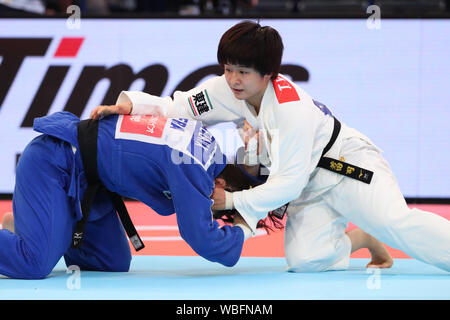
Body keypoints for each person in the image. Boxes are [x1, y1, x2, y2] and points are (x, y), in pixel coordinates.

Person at [90, 20, 450, 272]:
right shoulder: (226, 89)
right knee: (305, 261)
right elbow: (179, 107)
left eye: (243, 71)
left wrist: (230, 201)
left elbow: (287, 183)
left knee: (395, 222)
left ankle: (386, 233)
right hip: (308, 186)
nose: (233, 79)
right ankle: (364, 238)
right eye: (228, 68)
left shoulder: (291, 110)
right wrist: (133, 106)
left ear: (269, 74)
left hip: (346, 167)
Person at [0, 111, 256, 279]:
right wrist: (245, 228)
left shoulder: (206, 144)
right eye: (215, 206)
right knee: (33, 263)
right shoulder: (194, 167)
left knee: (110, 263)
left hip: (91, 182)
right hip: (55, 162)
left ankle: (32, 227)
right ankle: (33, 236)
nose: (208, 206)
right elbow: (201, 237)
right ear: (221, 183)